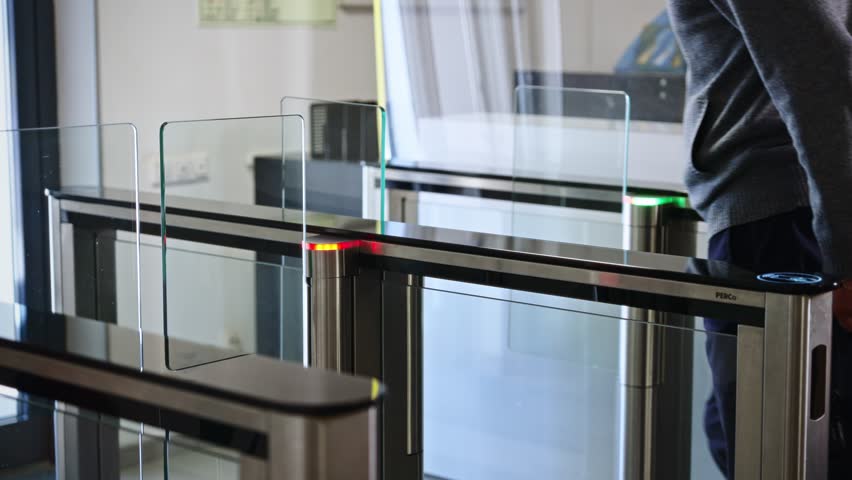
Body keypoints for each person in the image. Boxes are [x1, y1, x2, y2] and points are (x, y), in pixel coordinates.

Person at [665, 0, 852, 477]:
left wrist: (846, 260)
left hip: (781, 214)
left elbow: (818, 75)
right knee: (740, 430)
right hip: (788, 206)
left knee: (770, 443)